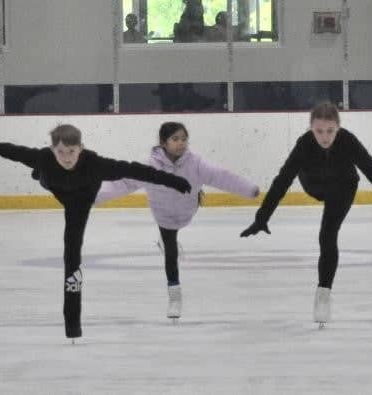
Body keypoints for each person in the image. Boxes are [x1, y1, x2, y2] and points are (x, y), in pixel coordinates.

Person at [0, 125, 191, 341]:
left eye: (71, 151)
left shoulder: (95, 164)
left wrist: (173, 181)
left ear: (81, 148)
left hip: (79, 201)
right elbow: (17, 152)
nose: (67, 157)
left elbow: (136, 170)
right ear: (53, 150)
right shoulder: (44, 158)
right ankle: (40, 175)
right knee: (41, 173)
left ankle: (73, 329)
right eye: (60, 152)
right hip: (53, 183)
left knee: (72, 256)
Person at [240, 102, 372, 328]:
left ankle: (323, 294)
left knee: (327, 236)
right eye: (319, 131)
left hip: (342, 188)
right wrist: (262, 217)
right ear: (310, 128)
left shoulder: (348, 141)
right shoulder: (304, 145)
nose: (324, 137)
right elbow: (283, 180)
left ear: (338, 128)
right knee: (303, 180)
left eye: (330, 131)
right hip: (313, 184)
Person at [94, 122, 259, 322]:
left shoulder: (196, 164)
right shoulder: (150, 165)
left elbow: (221, 176)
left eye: (184, 139)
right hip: (164, 215)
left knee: (171, 242)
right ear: (164, 143)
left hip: (187, 210)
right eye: (175, 139)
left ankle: (166, 245)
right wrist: (93, 196)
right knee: (171, 251)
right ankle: (175, 295)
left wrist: (248, 189)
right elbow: (124, 183)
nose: (181, 143)